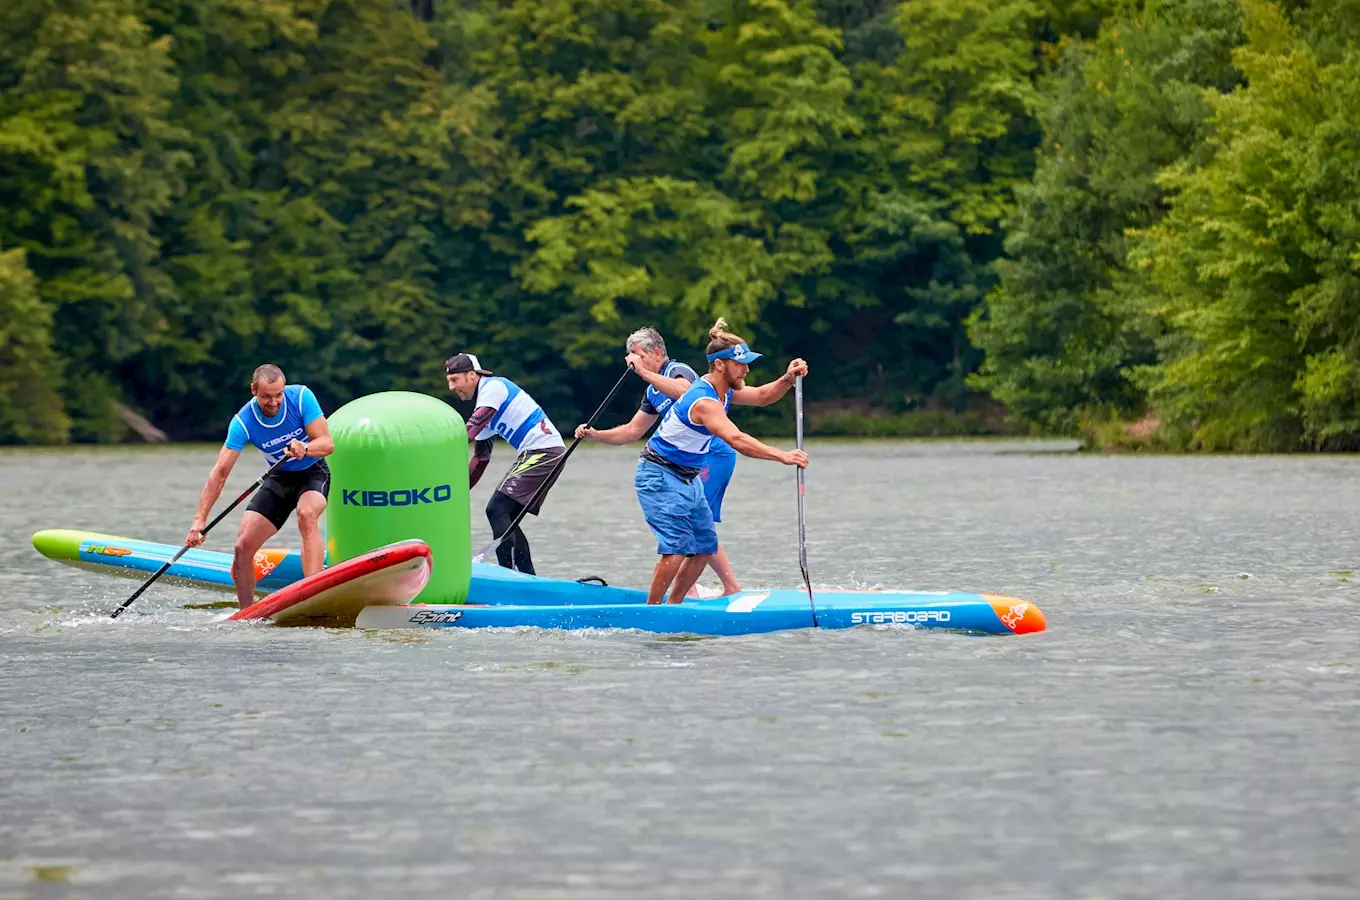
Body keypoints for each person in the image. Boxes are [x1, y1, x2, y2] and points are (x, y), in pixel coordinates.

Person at [630, 319, 809, 605]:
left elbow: (763, 397)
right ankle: (652, 611)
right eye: (741, 364)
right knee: (676, 549)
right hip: (658, 474)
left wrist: (787, 379)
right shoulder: (704, 400)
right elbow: (736, 439)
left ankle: (674, 607)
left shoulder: (723, 390)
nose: (747, 370)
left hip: (686, 477)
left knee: (704, 547)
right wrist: (783, 455)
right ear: (720, 365)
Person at [574, 326, 742, 596]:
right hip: (679, 463)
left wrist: (642, 372)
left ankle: (724, 589)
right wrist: (596, 435)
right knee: (692, 531)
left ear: (655, 353)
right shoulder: (653, 391)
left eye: (636, 354)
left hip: (712, 454)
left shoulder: (678, 370)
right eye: (630, 356)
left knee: (696, 531)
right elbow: (632, 431)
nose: (632, 361)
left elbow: (683, 392)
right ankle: (689, 594)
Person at [186, 365, 334, 609]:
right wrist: (199, 521)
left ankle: (313, 595)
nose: (274, 402)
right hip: (279, 477)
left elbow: (327, 444)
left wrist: (305, 449)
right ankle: (247, 613)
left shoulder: (301, 397)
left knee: (306, 515)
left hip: (313, 472)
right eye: (266, 396)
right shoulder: (243, 422)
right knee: (242, 547)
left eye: (278, 395)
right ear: (253, 390)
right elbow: (219, 474)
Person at [445, 352, 565, 575]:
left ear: (471, 375)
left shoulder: (494, 388)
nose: (451, 387)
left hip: (544, 450)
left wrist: (438, 449)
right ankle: (527, 578)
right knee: (505, 515)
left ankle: (507, 577)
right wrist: (458, 491)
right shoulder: (485, 404)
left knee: (496, 509)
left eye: (454, 380)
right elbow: (480, 459)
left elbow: (471, 429)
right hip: (538, 452)